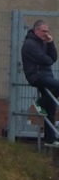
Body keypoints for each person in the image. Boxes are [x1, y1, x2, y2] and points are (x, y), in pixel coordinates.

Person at [21, 19, 59, 148]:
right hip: (36, 75)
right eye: (44, 31)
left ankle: (49, 139)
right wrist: (48, 59)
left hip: (46, 75)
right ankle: (40, 103)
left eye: (47, 31)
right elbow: (45, 60)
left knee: (51, 107)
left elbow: (53, 58)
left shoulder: (44, 42)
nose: (46, 34)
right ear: (36, 30)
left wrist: (51, 43)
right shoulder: (29, 44)